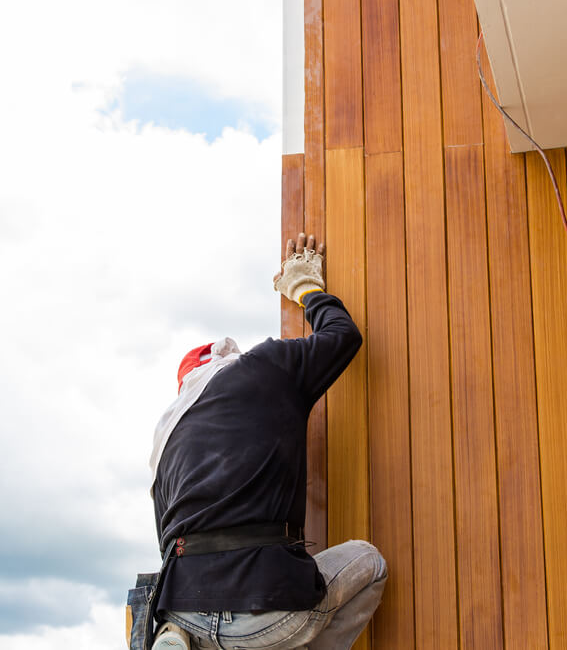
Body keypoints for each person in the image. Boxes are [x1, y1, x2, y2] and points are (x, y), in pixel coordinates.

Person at [144, 233, 387, 650]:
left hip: (181, 601)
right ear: (226, 358)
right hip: (268, 603)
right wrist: (304, 287)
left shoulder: (165, 443)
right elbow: (342, 336)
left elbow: (168, 542)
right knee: (370, 562)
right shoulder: (266, 366)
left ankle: (176, 634)